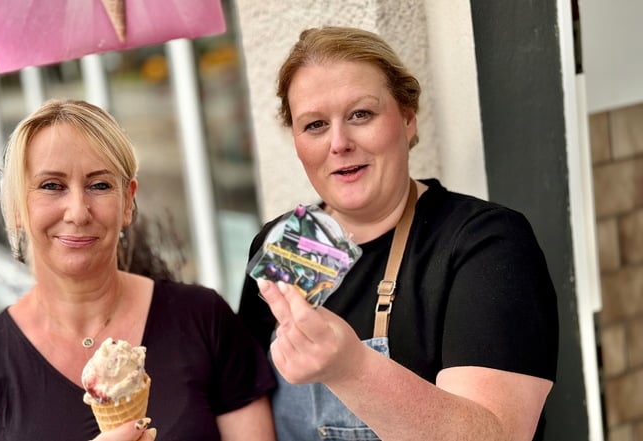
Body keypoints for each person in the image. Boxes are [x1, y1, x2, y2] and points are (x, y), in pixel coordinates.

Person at [238, 26, 559, 441]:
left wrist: (351, 369)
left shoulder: (484, 244)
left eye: (361, 115)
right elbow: (244, 410)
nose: (339, 143)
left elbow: (496, 434)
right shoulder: (287, 245)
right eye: (315, 125)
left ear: (407, 119)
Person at [0, 99, 276, 441]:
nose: (78, 211)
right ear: (19, 206)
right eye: (51, 186)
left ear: (128, 202)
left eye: (99, 185)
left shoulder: (202, 320)